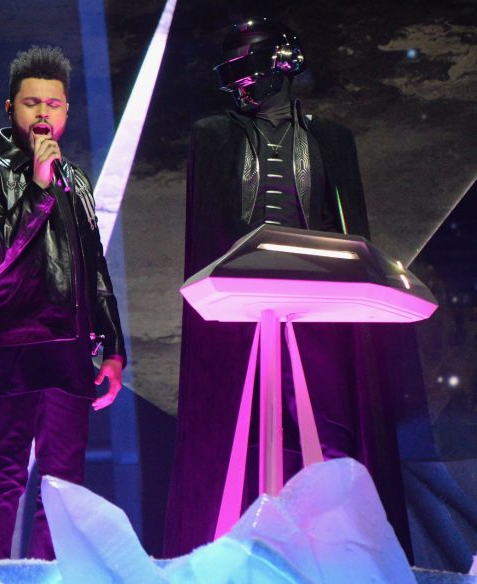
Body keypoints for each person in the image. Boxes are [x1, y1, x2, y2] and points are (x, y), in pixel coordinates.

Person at [164, 19, 412, 558]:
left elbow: (351, 232)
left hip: (320, 313)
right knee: (246, 433)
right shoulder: (214, 136)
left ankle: (335, 551)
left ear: (279, 65)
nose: (241, 83)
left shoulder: (331, 139)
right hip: (241, 314)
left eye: (246, 68)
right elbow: (207, 236)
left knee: (328, 427)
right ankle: (246, 552)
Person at [0, 45, 126, 561]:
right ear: (11, 109)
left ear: (66, 112)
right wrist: (38, 187)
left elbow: (93, 266)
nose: (43, 113)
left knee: (64, 482)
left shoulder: (76, 179)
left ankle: (50, 574)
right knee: (7, 471)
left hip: (68, 348)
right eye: (32, 103)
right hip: (9, 347)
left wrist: (113, 347)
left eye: (53, 104)